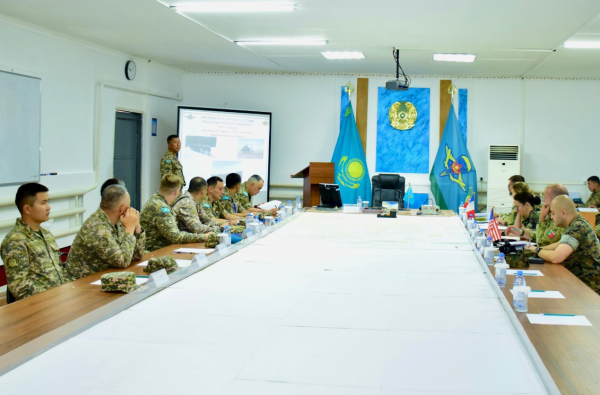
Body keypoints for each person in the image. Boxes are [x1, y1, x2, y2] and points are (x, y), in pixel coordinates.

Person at [1, 183, 70, 301]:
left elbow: (59, 270)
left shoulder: (46, 234)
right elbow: (20, 287)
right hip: (40, 305)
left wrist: (68, 290)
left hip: (59, 299)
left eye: (48, 202)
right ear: (27, 209)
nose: (49, 207)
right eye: (43, 203)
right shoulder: (15, 241)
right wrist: (55, 296)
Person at [65, 184, 146, 280]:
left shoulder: (118, 221)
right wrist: (129, 228)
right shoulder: (96, 228)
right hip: (82, 284)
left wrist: (137, 229)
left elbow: (136, 255)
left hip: (104, 277)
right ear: (122, 209)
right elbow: (123, 261)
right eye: (128, 207)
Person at [526, 195, 600, 295]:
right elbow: (560, 244)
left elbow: (556, 257)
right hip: (579, 282)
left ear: (563, 213)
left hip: (588, 288)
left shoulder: (577, 227)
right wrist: (536, 248)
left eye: (553, 213)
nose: (551, 217)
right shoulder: (576, 223)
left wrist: (537, 251)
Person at [140, 174, 213, 251]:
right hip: (156, 251)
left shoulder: (157, 201)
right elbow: (175, 236)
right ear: (176, 192)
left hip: (161, 248)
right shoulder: (160, 207)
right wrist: (204, 237)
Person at [505, 184, 568, 268]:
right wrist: (521, 232)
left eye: (545, 197)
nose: (543, 200)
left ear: (555, 200)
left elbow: (541, 241)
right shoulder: (552, 216)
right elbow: (542, 237)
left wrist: (541, 217)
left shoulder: (560, 220)